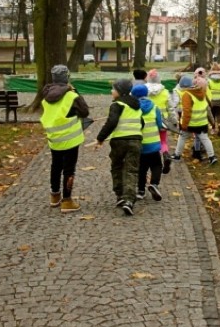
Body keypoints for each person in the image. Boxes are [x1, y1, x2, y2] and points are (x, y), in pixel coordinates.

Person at [40, 64, 90, 213]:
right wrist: (75, 91)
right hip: (70, 138)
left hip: (53, 138)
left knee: (55, 166)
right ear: (67, 77)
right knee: (69, 168)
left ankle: (54, 196)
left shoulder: (47, 94)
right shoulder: (71, 95)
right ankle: (67, 201)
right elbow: (85, 112)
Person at [94, 78, 143, 216]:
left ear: (119, 92)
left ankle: (120, 195)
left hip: (119, 141)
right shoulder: (136, 106)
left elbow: (112, 122)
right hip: (136, 141)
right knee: (131, 170)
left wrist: (100, 138)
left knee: (116, 166)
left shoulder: (117, 105)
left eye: (113, 89)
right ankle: (129, 200)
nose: (111, 91)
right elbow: (142, 123)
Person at [173, 74, 218, 165]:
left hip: (190, 123)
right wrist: (212, 122)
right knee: (205, 139)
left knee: (182, 137)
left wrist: (184, 125)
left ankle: (177, 155)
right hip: (202, 123)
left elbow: (186, 111)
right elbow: (208, 109)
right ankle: (212, 156)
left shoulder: (187, 95)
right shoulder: (202, 93)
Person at [132, 83, 164, 202]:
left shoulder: (134, 109)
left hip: (140, 144)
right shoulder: (154, 107)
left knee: (141, 168)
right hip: (154, 143)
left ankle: (141, 191)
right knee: (157, 165)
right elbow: (160, 124)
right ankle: (154, 184)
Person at [146, 69, 174, 171]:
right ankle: (165, 154)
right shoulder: (165, 92)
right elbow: (171, 108)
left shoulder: (145, 92)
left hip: (149, 121)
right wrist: (174, 121)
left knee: (149, 141)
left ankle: (151, 163)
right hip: (163, 121)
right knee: (163, 141)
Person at [207, 62, 220, 137]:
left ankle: (213, 128)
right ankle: (219, 124)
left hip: (212, 99)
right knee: (219, 113)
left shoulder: (209, 79)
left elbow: (207, 87)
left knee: (212, 114)